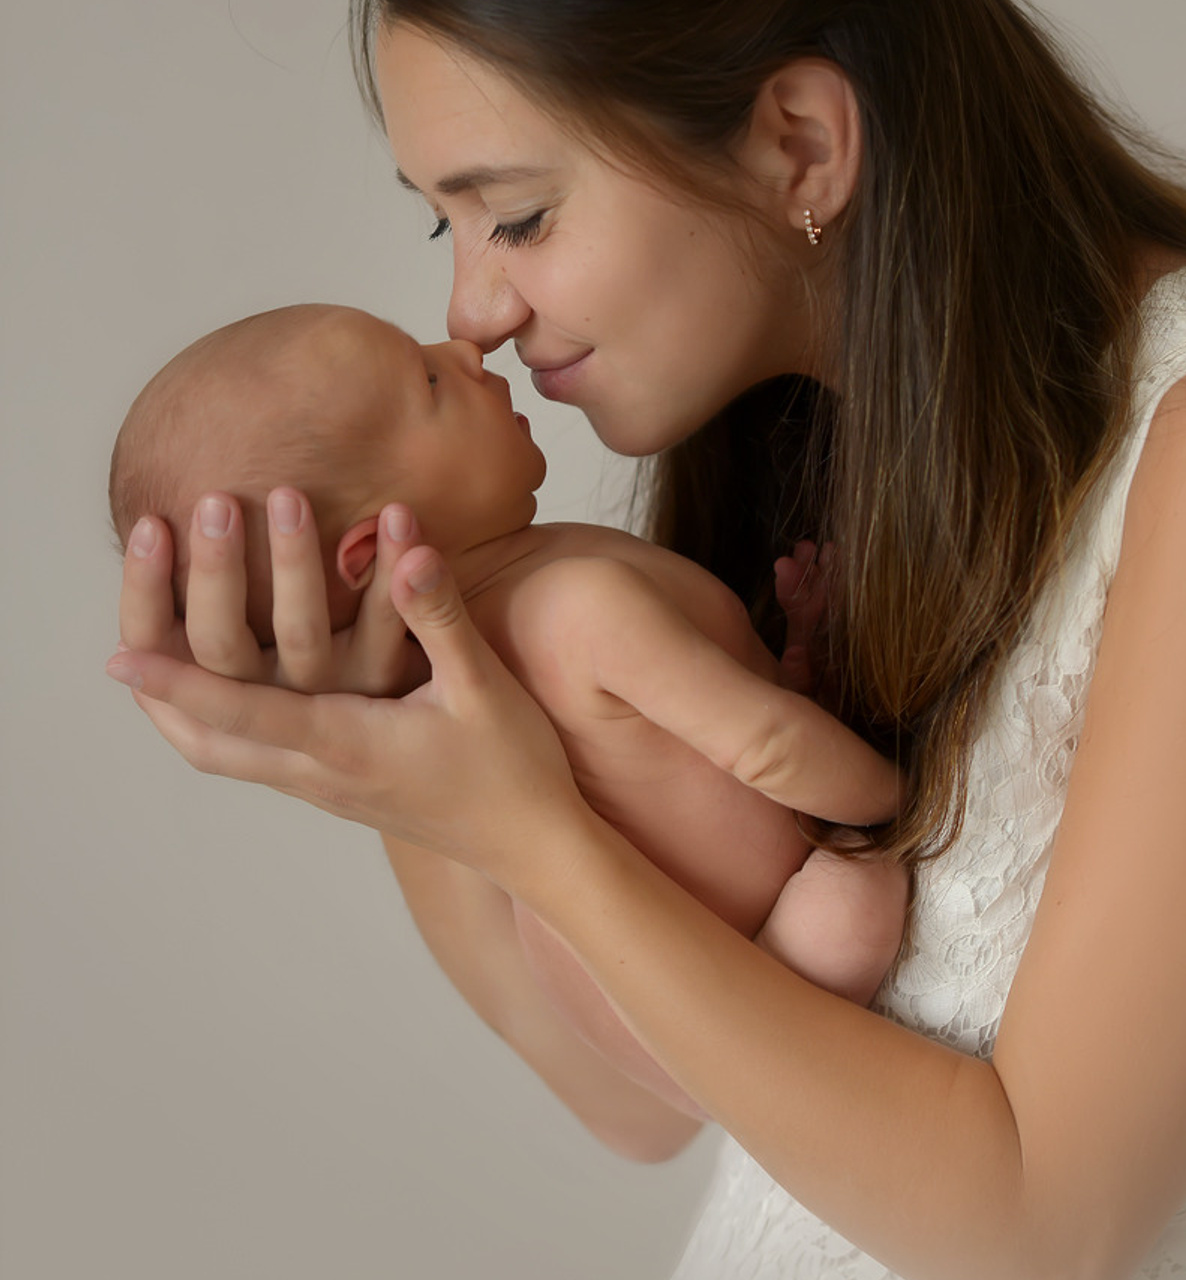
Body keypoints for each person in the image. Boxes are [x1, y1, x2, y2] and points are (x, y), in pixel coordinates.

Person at [106, 1, 1186, 1276]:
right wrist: (397, 731)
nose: (474, 309)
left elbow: (1041, 1231)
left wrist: (532, 835)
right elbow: (635, 1101)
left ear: (796, 147)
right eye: (443, 221)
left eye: (520, 215)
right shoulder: (814, 442)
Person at [107, 301, 907, 1128]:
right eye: (426, 380)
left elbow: (717, 743)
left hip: (654, 980)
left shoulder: (528, 604)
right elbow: (768, 748)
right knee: (859, 896)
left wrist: (798, 657)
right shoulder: (572, 605)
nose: (465, 348)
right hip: (729, 991)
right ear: (368, 552)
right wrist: (897, 798)